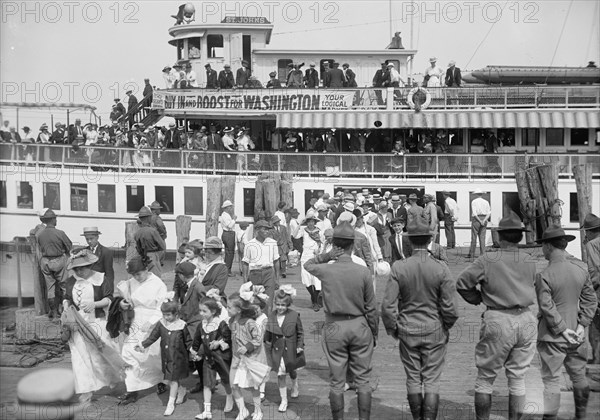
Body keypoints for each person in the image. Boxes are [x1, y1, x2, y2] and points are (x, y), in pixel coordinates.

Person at [456, 212, 537, 420]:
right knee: (518, 379)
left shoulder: (488, 259)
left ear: (500, 236)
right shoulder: (529, 259)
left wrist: (478, 298)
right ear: (520, 236)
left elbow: (462, 283)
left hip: (498, 318)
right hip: (527, 318)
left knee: (485, 378)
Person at [381, 216, 458, 420]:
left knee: (413, 378)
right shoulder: (441, 267)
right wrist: (445, 325)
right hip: (435, 329)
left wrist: (393, 329)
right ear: (429, 239)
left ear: (409, 241)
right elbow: (451, 307)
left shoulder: (399, 267)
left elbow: (388, 306)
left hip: (407, 329)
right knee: (432, 380)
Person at [304, 222, 378, 420]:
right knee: (362, 380)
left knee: (336, 381)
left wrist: (327, 255)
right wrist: (374, 333)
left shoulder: (327, 270)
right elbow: (371, 307)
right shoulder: (363, 272)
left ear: (335, 245)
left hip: (334, 326)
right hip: (359, 324)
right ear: (353, 245)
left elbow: (308, 264)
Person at [534, 225, 597, 420]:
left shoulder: (544, 275)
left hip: (552, 336)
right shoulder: (581, 269)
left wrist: (562, 330)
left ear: (548, 246)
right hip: (578, 335)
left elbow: (547, 307)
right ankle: (580, 416)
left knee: (551, 380)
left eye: (543, 246)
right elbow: (590, 300)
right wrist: (580, 326)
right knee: (578, 376)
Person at [61, 249, 122, 402]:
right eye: (76, 269)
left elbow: (109, 299)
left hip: (97, 322)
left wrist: (95, 304)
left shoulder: (101, 279)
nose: (79, 271)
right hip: (77, 322)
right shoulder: (71, 281)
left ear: (91, 265)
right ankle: (86, 390)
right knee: (79, 356)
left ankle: (113, 380)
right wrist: (66, 305)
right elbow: (67, 298)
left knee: (101, 354)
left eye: (83, 268)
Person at [116, 256, 168, 405]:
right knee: (128, 352)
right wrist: (123, 304)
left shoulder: (158, 284)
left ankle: (160, 380)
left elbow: (162, 307)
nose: (136, 277)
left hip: (152, 321)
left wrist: (152, 322)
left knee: (151, 356)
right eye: (133, 275)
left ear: (146, 269)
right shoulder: (131, 283)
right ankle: (132, 390)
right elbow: (125, 298)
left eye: (139, 274)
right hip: (135, 320)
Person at [135, 301, 192, 416]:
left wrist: (193, 351)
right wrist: (143, 345)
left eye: (168, 315)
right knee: (170, 378)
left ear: (176, 314)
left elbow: (188, 341)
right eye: (164, 315)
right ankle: (181, 390)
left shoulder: (182, 325)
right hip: (167, 356)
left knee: (173, 379)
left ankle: (170, 404)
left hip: (179, 357)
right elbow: (153, 337)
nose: (166, 317)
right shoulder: (161, 324)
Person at [227, 290, 270, 420]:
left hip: (250, 359)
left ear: (239, 309)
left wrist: (247, 347)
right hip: (236, 359)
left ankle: (258, 410)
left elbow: (258, 339)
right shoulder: (231, 321)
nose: (227, 309)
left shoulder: (249, 322)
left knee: (253, 386)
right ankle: (242, 410)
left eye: (229, 307)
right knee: (233, 385)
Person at [191, 297, 234, 419]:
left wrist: (218, 342)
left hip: (221, 357)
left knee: (226, 380)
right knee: (207, 384)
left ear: (213, 311)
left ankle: (229, 397)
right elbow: (197, 340)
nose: (201, 314)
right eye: (200, 311)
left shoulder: (221, 323)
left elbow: (228, 338)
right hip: (208, 359)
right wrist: (194, 352)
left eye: (204, 311)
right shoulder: (201, 325)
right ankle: (207, 411)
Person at [264, 286, 305, 413]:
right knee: (280, 375)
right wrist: (267, 348)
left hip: (291, 347)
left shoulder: (294, 315)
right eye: (278, 304)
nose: (280, 307)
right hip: (277, 349)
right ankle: (284, 400)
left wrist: (300, 345)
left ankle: (294, 384)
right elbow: (268, 335)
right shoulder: (271, 316)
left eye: (283, 305)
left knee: (291, 370)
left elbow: (300, 332)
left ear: (288, 304)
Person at [36, 208, 72, 318]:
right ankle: (65, 311)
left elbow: (40, 248)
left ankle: (54, 311)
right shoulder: (60, 233)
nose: (56, 220)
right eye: (55, 218)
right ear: (52, 220)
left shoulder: (39, 234)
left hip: (45, 262)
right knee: (64, 286)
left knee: (50, 288)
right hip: (58, 260)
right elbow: (69, 246)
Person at [242, 220, 280, 312]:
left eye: (268, 229)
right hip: (254, 273)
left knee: (269, 301)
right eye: (264, 229)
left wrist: (277, 279)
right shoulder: (249, 244)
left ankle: (267, 323)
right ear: (257, 230)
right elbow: (245, 263)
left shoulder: (273, 243)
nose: (267, 231)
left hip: (268, 273)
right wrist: (245, 281)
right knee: (255, 301)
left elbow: (276, 261)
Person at [582, 213, 600, 365]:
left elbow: (595, 269)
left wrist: (589, 289)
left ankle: (596, 358)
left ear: (589, 231)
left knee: (595, 326)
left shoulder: (592, 244)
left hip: (599, 290)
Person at [134, 206, 166, 278]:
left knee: (144, 278)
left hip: (141, 256)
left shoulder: (137, 233)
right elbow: (163, 246)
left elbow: (137, 247)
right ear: (149, 218)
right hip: (153, 255)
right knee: (155, 277)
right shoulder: (152, 231)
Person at [300, 216, 323, 311]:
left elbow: (321, 243)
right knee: (306, 278)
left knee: (317, 279)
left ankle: (315, 301)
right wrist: (300, 224)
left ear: (315, 223)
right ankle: (313, 297)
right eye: (309, 222)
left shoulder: (319, 232)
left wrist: (319, 252)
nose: (311, 224)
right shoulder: (303, 231)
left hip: (315, 255)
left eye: (312, 222)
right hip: (305, 256)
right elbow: (294, 235)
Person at [467, 189, 491, 259]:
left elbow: (474, 213)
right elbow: (489, 213)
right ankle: (482, 254)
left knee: (474, 237)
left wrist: (480, 221)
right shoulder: (486, 202)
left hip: (476, 219)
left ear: (476, 194)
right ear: (482, 194)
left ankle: (472, 254)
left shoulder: (474, 201)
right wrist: (484, 220)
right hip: (484, 218)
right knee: (482, 237)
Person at [219, 200, 237, 276]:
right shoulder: (225, 215)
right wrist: (234, 219)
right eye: (230, 207)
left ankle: (227, 269)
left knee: (228, 253)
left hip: (228, 234)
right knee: (230, 253)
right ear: (226, 208)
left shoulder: (225, 215)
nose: (231, 208)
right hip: (228, 234)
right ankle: (228, 270)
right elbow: (229, 226)